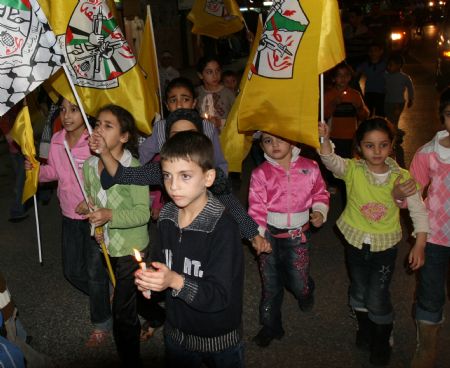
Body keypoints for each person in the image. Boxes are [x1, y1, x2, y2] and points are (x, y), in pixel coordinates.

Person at [318, 117, 429, 366]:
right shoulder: (353, 170)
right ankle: (365, 328)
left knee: (377, 295)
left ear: (392, 145)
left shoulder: (401, 177)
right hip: (355, 243)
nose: (377, 151)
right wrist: (325, 139)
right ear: (359, 147)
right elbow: (330, 161)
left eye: (383, 145)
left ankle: (382, 336)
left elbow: (419, 211)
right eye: (369, 145)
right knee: (358, 290)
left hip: (384, 248)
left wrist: (420, 243)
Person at [90, 109, 270, 256]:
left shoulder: (207, 174)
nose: (174, 184)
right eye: (176, 135)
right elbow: (123, 175)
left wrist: (253, 235)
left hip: (205, 236)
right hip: (175, 233)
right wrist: (104, 151)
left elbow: (232, 204)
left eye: (189, 135)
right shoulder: (160, 170)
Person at [135, 131, 245, 368]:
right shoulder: (166, 216)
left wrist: (174, 280)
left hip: (218, 338)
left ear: (208, 178)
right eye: (167, 176)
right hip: (177, 333)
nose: (172, 186)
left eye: (185, 176)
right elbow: (159, 262)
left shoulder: (223, 227)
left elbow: (220, 295)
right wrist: (150, 280)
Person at [24, 98, 112, 347]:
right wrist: (35, 171)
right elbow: (53, 172)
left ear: (85, 111)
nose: (67, 115)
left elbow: (108, 174)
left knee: (95, 272)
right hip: (69, 215)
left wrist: (95, 201)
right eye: (63, 110)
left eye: (74, 109)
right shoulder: (56, 140)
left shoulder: (94, 141)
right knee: (72, 271)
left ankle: (102, 322)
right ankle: (104, 294)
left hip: (93, 217)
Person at [77, 105, 150, 367]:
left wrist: (110, 216)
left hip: (132, 248)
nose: (99, 130)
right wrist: (90, 213)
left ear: (124, 136)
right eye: (97, 124)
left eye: (108, 126)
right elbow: (94, 201)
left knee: (122, 311)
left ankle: (130, 360)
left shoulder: (135, 168)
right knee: (129, 296)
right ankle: (157, 315)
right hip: (106, 244)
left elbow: (143, 214)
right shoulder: (88, 165)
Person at [248, 132, 329, 347]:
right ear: (261, 145)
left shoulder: (309, 167)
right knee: (270, 284)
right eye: (267, 140)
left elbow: (321, 193)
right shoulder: (260, 174)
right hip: (268, 236)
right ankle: (270, 325)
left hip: (297, 236)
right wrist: (257, 235)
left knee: (298, 281)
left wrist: (320, 211)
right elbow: (256, 208)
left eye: (279, 138)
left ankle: (306, 291)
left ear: (292, 139)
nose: (274, 144)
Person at [402, 88, 450, 368]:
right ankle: (427, 346)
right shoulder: (428, 154)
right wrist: (400, 193)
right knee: (430, 293)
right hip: (435, 237)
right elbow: (412, 197)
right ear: (442, 117)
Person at [138, 77, 228, 174]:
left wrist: (219, 184)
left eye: (185, 99)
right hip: (172, 181)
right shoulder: (160, 128)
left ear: (194, 103)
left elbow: (219, 162)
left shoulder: (207, 128)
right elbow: (142, 155)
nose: (179, 105)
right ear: (167, 105)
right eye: (173, 100)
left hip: (200, 182)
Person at [196, 56, 235, 131]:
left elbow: (237, 116)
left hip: (225, 135)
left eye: (217, 71)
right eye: (209, 72)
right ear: (200, 75)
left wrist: (221, 122)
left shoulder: (228, 93)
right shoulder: (196, 93)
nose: (215, 75)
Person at [384, 53, 414, 129]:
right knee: (389, 119)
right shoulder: (386, 76)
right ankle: (393, 131)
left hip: (398, 102)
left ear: (398, 65)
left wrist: (411, 99)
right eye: (388, 65)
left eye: (391, 65)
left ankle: (394, 131)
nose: (388, 67)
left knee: (394, 118)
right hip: (387, 101)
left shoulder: (404, 77)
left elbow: (410, 88)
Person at [356, 43, 387, 117]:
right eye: (371, 51)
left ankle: (380, 128)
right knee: (368, 112)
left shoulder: (385, 64)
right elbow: (356, 73)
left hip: (381, 92)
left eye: (375, 50)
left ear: (381, 51)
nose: (373, 53)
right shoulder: (365, 64)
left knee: (380, 113)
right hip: (369, 91)